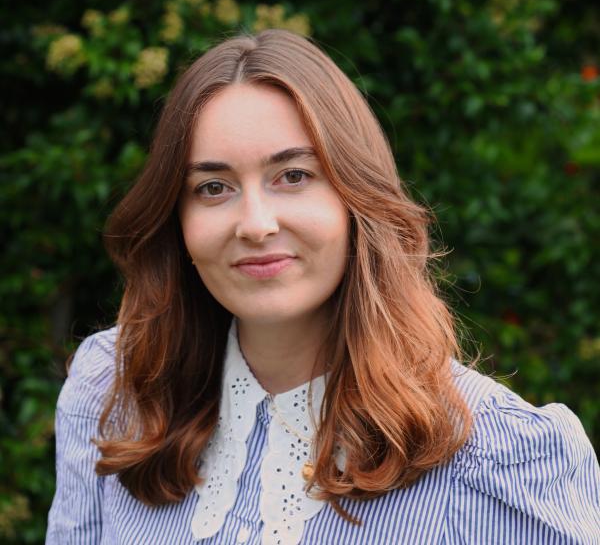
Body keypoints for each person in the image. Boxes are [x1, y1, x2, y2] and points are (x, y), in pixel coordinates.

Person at [46, 29, 600, 545]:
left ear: (357, 198)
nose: (256, 224)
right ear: (177, 221)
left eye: (294, 176)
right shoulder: (111, 394)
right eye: (213, 187)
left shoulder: (503, 458)